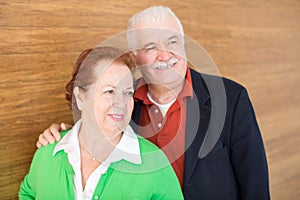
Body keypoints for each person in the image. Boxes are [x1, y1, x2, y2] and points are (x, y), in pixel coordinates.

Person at [36, 6, 270, 200]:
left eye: (173, 42)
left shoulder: (230, 98)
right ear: (134, 57)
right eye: (151, 47)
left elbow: (255, 183)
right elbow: (96, 128)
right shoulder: (125, 102)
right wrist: (61, 133)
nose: (165, 55)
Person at [19, 46, 184, 199]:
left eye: (127, 93)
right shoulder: (48, 151)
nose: (120, 102)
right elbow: (27, 194)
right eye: (109, 91)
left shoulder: (155, 163)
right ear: (80, 97)